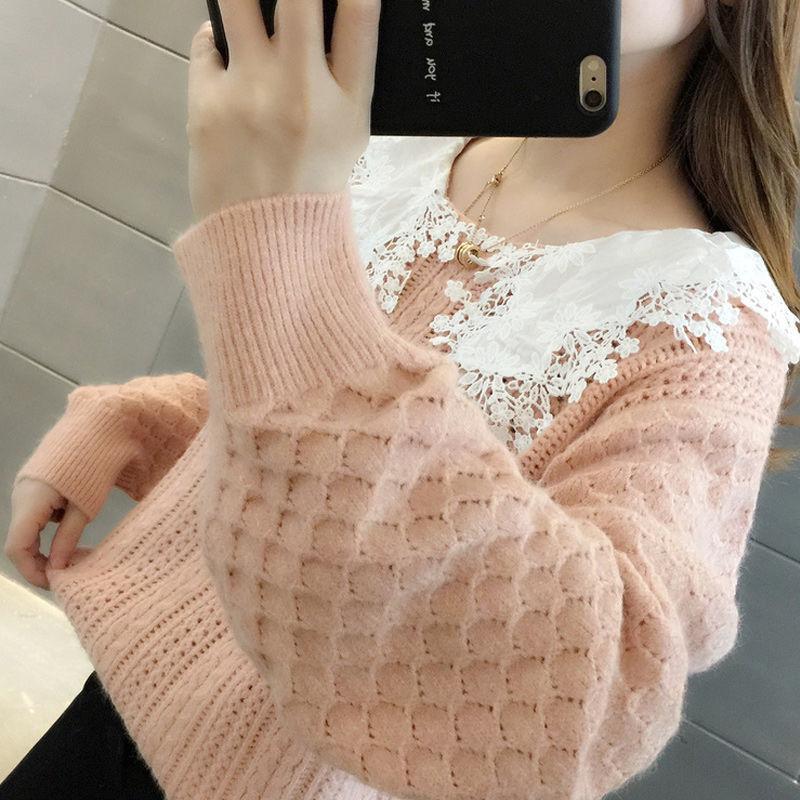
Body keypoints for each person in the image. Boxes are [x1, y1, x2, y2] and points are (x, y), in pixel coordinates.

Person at [4, 1, 800, 799]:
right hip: (127, 694)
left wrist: (278, 222)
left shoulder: (712, 329)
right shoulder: (401, 150)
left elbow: (591, 691)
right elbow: (299, 435)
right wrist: (136, 424)